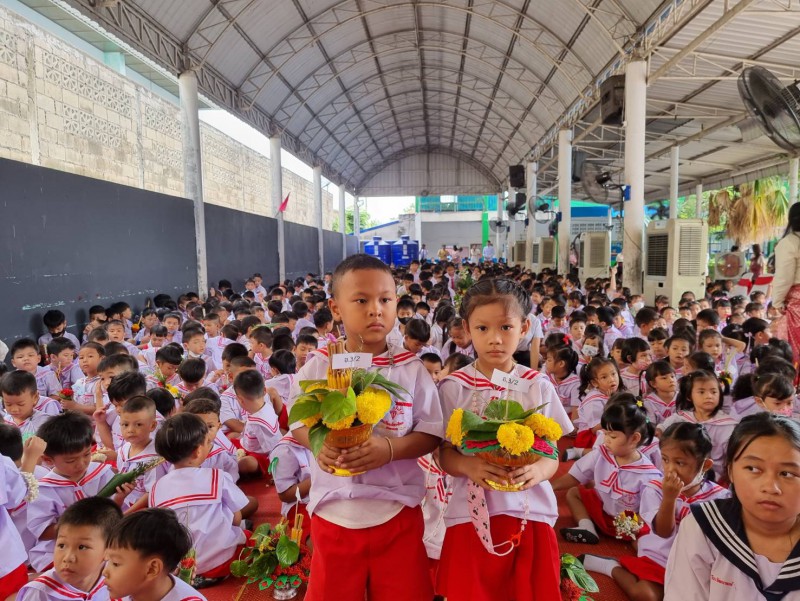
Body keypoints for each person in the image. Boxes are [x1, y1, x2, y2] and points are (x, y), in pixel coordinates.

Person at [289, 254, 442, 601]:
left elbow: (431, 432)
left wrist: (390, 449)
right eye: (361, 300)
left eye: (385, 300)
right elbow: (297, 419)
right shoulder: (318, 367)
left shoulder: (410, 369)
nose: (376, 310)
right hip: (334, 511)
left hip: (398, 511)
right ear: (336, 308)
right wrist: (317, 444)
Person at [437, 277, 572, 601]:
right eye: (482, 328)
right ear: (467, 328)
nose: (494, 339)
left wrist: (538, 471)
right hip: (470, 512)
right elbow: (443, 452)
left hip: (528, 511)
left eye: (506, 328)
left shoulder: (537, 385)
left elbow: (552, 451)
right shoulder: (454, 387)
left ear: (524, 327)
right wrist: (468, 466)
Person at [582, 422, 728, 600]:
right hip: (661, 555)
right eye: (665, 460)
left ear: (705, 466)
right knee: (647, 595)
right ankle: (611, 567)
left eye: (680, 463)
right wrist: (669, 498)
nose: (670, 469)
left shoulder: (721, 498)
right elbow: (663, 532)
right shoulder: (655, 489)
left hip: (696, 563)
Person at [664, 413, 800, 600]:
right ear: (731, 472)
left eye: (787, 473)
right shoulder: (703, 527)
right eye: (753, 469)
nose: (770, 487)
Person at [150, 413, 250, 588]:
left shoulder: (156, 489)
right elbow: (236, 518)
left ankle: (196, 576)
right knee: (249, 537)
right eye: (208, 443)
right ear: (198, 451)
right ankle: (214, 572)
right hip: (220, 560)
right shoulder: (216, 477)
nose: (210, 446)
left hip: (182, 566)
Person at [28, 412, 131, 572]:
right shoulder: (44, 489)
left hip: (104, 542)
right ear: (48, 460)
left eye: (87, 454)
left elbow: (116, 516)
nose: (81, 464)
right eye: (71, 460)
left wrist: (119, 499)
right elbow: (42, 532)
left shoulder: (102, 473)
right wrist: (79, 524)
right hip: (63, 550)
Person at [553, 396, 660, 545]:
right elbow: (576, 476)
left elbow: (649, 511)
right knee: (574, 493)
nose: (606, 440)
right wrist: (550, 487)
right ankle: (587, 527)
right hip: (602, 513)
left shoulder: (648, 475)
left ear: (635, 438)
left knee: (644, 541)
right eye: (605, 434)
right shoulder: (602, 453)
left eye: (613, 436)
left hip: (627, 524)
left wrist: (633, 526)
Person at [17, 497, 123, 601]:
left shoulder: (118, 581)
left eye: (82, 547)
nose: (67, 558)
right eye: (61, 545)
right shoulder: (41, 593)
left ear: (110, 550)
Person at [104, 508, 207, 601]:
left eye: (116, 563)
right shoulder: (119, 593)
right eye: (108, 561)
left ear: (152, 569)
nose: (105, 572)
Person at [771, 203, 800, 358]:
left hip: (797, 303)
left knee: (794, 352)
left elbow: (784, 276)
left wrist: (778, 302)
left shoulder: (789, 242)